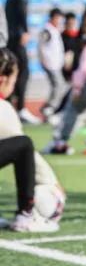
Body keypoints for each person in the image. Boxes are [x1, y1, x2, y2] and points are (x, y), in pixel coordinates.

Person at [0, 48, 63, 233]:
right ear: (3, 80)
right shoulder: (3, 108)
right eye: (14, 80)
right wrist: (52, 182)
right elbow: (25, 152)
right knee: (23, 144)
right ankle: (25, 215)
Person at [49, 9, 86, 155]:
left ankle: (60, 141)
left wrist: (77, 89)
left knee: (74, 107)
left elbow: (83, 69)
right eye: (85, 25)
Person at [6, 0, 39, 124]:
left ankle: (11, 107)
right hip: (16, 37)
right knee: (22, 70)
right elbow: (21, 9)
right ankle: (21, 109)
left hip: (12, 36)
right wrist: (24, 31)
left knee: (14, 69)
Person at [38, 7, 66, 119]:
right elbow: (40, 46)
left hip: (56, 63)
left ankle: (48, 107)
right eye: (58, 17)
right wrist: (43, 60)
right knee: (59, 85)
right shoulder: (47, 30)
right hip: (50, 63)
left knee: (59, 85)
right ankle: (49, 108)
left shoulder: (55, 29)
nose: (59, 20)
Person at [60, 12, 79, 81]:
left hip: (77, 63)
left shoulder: (78, 35)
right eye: (69, 22)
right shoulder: (62, 36)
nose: (71, 23)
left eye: (73, 21)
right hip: (67, 64)